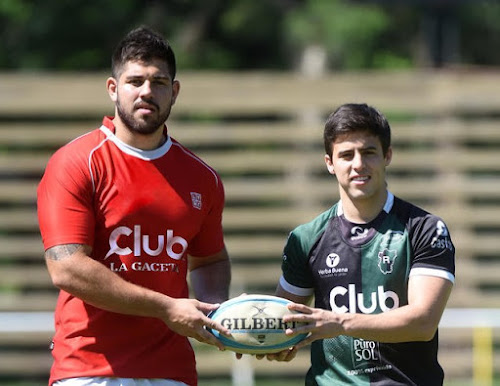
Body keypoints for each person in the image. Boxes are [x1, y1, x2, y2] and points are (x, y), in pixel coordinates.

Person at [37, 26, 231, 386]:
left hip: (173, 371)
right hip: (89, 371)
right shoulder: (77, 162)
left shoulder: (203, 178)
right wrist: (167, 307)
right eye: (135, 81)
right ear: (113, 89)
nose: (146, 92)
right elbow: (66, 268)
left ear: (174, 92)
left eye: (158, 82)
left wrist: (217, 310)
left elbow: (210, 260)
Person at [270, 103, 455, 385]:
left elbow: (423, 322)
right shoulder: (305, 238)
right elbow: (283, 323)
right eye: (346, 155)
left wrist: (340, 323)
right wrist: (262, 333)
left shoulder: (425, 229)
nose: (358, 164)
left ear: (387, 156)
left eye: (368, 152)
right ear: (330, 163)